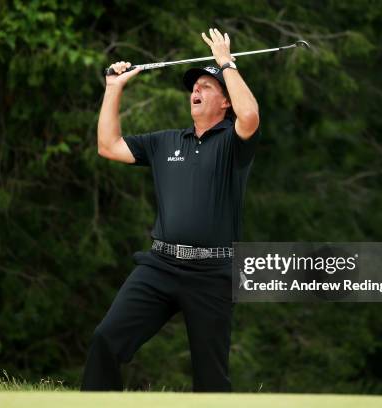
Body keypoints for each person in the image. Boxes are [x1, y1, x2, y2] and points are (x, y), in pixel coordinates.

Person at [81, 28, 260, 392]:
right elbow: (108, 145)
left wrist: (225, 63)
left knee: (211, 380)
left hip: (213, 272)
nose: (195, 91)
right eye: (194, 87)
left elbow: (250, 114)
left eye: (206, 87)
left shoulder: (233, 142)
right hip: (160, 266)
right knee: (106, 340)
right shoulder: (165, 142)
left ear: (225, 101)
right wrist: (113, 89)